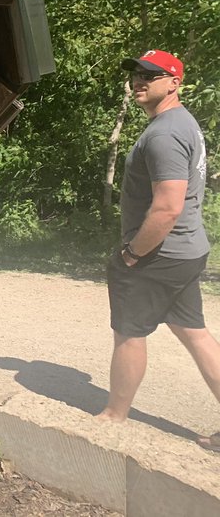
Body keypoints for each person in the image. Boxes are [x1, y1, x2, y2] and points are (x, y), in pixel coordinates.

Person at [97, 49, 220, 451]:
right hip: (185, 251)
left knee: (129, 334)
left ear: (174, 82)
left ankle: (113, 418)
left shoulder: (165, 133)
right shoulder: (181, 123)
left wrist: (132, 254)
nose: (139, 80)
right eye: (136, 73)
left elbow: (168, 207)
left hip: (158, 255)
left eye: (151, 74)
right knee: (195, 334)